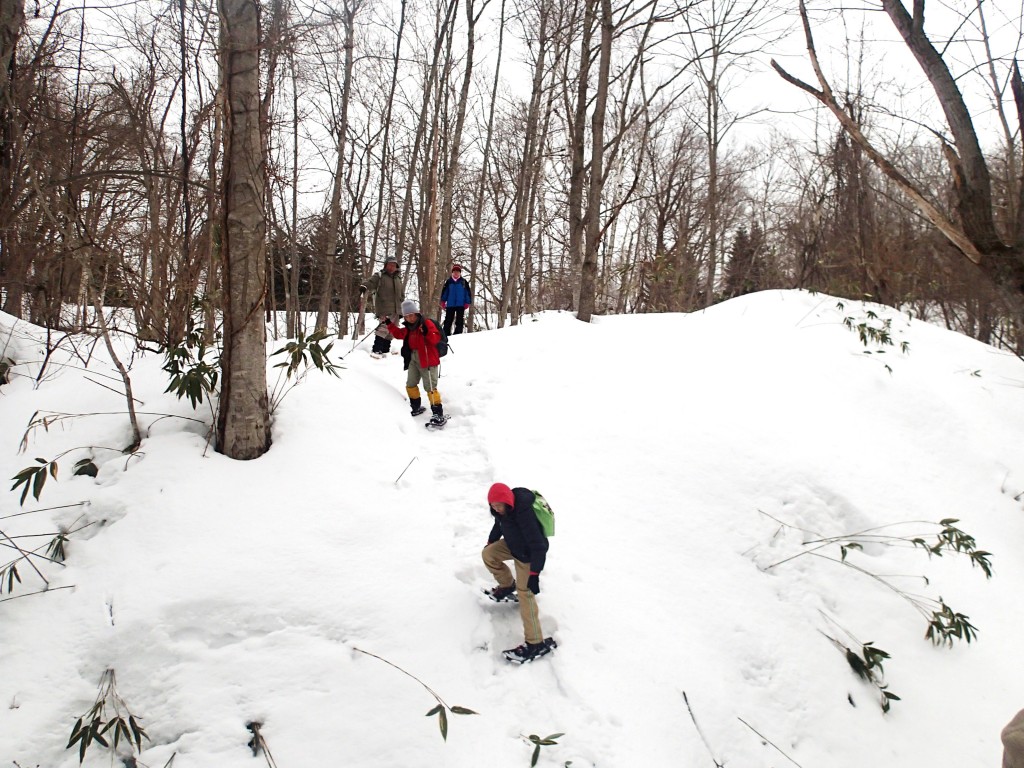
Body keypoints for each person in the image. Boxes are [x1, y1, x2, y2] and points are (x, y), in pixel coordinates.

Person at [482, 482, 552, 662]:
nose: (496, 509)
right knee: (488, 554)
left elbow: (538, 546)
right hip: (513, 545)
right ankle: (507, 585)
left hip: (528, 555)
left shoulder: (523, 514)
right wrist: (491, 542)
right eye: (492, 506)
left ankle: (535, 642)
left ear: (507, 502)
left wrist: (534, 575)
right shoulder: (502, 511)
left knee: (525, 594)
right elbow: (499, 525)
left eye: (498, 505)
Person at [385, 299, 447, 426]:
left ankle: (438, 413)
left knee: (430, 387)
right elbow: (399, 334)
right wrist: (388, 324)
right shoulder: (408, 328)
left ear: (416, 313)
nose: (409, 318)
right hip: (413, 358)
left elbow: (435, 338)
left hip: (428, 358)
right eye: (407, 316)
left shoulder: (427, 323)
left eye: (411, 315)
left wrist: (427, 332)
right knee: (411, 384)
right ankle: (415, 406)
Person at [359, 256, 405, 358]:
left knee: (392, 330)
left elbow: (401, 294)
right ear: (385, 265)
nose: (392, 267)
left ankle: (385, 350)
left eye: (394, 265)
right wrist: (364, 286)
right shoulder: (380, 276)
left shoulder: (398, 278)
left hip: (397, 309)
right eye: (390, 265)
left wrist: (402, 307)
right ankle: (377, 350)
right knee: (383, 328)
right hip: (384, 308)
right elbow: (370, 282)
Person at [439, 263, 472, 336]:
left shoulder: (464, 282)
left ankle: (458, 334)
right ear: (452, 272)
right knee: (448, 320)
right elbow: (445, 292)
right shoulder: (449, 282)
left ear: (460, 273)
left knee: (459, 321)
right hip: (450, 304)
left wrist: (467, 302)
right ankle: (446, 335)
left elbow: (467, 292)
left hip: (460, 304)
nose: (456, 273)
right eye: (454, 271)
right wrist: (443, 301)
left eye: (458, 271)